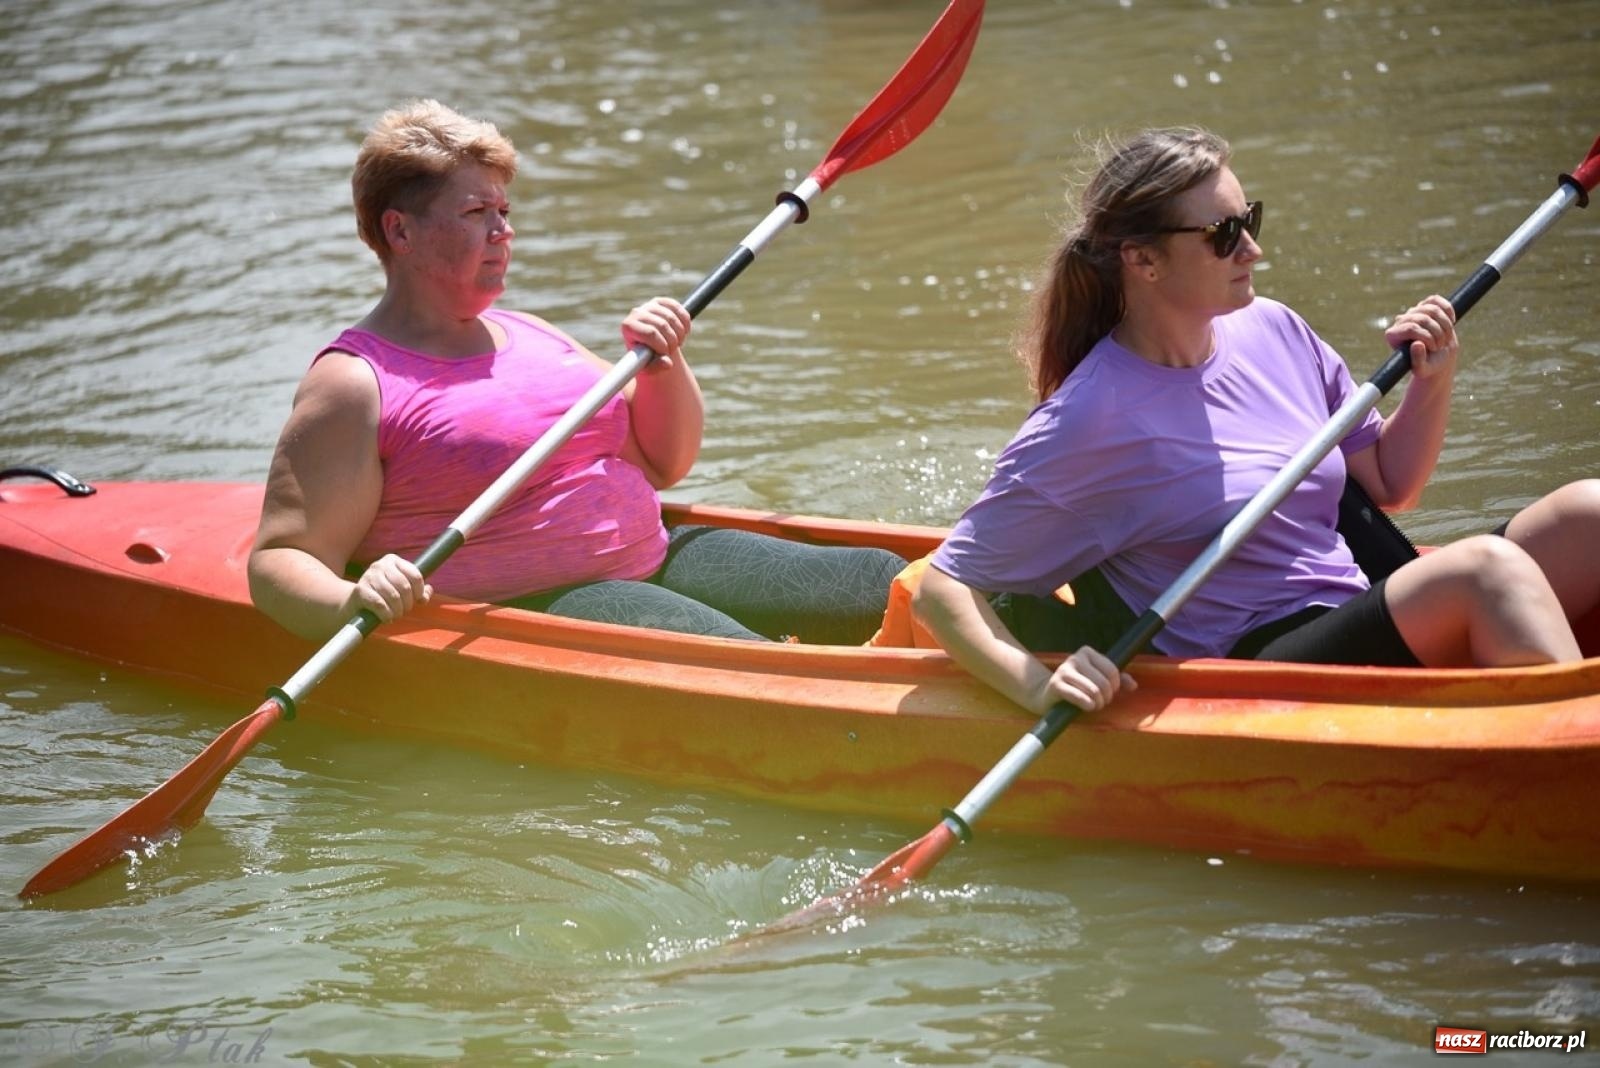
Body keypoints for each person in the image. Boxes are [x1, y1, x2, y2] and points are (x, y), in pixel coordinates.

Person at [913, 126, 1600, 718]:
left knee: (1591, 512)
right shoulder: (1088, 418)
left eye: (1250, 220)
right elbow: (945, 590)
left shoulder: (1273, 330)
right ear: (1142, 259)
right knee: (1487, 570)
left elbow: (1391, 484)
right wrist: (1037, 686)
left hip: (1354, 599)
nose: (1252, 251)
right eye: (1222, 234)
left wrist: (1433, 380)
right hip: (1259, 664)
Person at [249, 99, 903, 645]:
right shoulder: (355, 382)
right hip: (547, 606)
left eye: (505, 212)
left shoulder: (533, 334)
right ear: (400, 232)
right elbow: (281, 558)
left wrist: (663, 365)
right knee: (754, 663)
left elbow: (660, 462)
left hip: (658, 554)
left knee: (883, 581)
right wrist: (352, 600)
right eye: (477, 214)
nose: (503, 232)